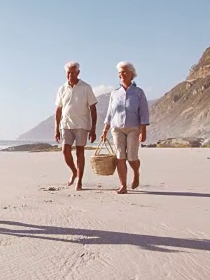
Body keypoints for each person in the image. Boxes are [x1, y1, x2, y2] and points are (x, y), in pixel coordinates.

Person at [101, 61, 150, 194]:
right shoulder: (114, 93)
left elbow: (144, 112)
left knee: (132, 158)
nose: (121, 75)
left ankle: (136, 173)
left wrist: (143, 130)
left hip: (134, 128)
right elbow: (110, 113)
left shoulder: (139, 92)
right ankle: (123, 185)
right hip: (117, 128)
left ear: (131, 74)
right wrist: (105, 129)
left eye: (124, 72)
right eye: (119, 73)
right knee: (120, 157)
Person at [55, 61, 98, 190]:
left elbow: (93, 109)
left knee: (80, 152)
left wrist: (93, 129)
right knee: (65, 151)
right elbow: (58, 110)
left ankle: (79, 180)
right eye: (68, 72)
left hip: (82, 125)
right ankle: (74, 171)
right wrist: (56, 128)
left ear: (78, 72)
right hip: (66, 124)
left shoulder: (86, 87)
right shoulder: (62, 88)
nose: (70, 75)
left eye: (72, 72)